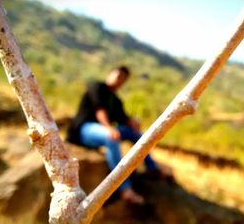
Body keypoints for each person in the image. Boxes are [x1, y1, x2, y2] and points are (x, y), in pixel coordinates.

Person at [67, 65, 171, 204]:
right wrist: (109, 128)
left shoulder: (116, 100)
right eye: (117, 75)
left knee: (137, 134)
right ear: (109, 74)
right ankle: (125, 189)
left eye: (123, 78)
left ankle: (152, 168)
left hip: (104, 129)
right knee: (111, 137)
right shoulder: (97, 87)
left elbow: (123, 119)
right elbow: (100, 110)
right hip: (84, 130)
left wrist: (132, 123)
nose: (119, 79)